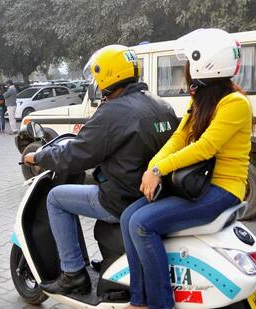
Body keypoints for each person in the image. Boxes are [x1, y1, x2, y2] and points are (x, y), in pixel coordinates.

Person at [23, 45, 178, 295]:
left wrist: (38, 156)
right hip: (154, 195)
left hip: (122, 198)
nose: (95, 82)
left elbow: (75, 155)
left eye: (97, 76)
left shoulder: (112, 112)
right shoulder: (161, 104)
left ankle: (73, 273)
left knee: (55, 198)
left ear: (108, 76)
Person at [120, 28, 253, 309]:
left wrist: (158, 171)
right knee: (127, 217)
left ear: (203, 63)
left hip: (223, 189)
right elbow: (179, 138)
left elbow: (205, 147)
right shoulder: (202, 99)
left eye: (189, 64)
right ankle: (139, 299)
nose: (186, 70)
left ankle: (160, 304)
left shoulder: (235, 103)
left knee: (142, 224)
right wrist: (153, 166)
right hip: (198, 186)